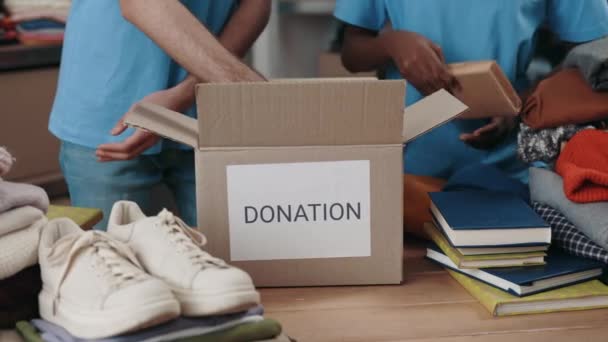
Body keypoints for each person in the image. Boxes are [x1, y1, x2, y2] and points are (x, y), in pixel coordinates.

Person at [334, 0, 608, 235]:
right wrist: (391, 44)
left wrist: (522, 103)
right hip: (408, 175)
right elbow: (352, 51)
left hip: (516, 175)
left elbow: (594, 53)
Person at [49, 0, 270, 229]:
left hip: (212, 114)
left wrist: (187, 91)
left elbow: (256, 4)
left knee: (234, 257)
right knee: (117, 260)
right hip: (111, 114)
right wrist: (251, 89)